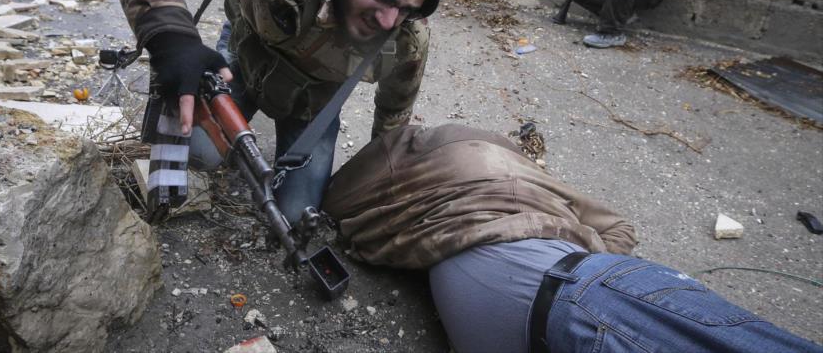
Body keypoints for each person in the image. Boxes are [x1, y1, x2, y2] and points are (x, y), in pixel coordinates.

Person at [322, 124, 822, 353]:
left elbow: (338, 200)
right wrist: (574, 240)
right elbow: (620, 229)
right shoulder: (480, 159)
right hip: (579, 293)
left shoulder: (508, 172)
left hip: (578, 295)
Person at [110, 0, 445, 225]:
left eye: (405, 8)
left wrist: (378, 189)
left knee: (298, 215)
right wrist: (172, 38)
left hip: (310, 105)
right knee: (198, 156)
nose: (388, 20)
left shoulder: (407, 38)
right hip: (243, 59)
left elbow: (393, 117)